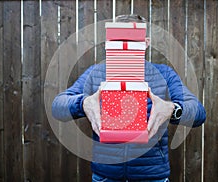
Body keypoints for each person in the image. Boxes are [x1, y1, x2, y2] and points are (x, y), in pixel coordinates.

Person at [52, 14, 206, 182]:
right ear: (109, 43)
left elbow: (198, 112)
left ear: (145, 43)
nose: (125, 48)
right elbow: (58, 106)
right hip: (106, 176)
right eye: (118, 42)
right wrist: (82, 103)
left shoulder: (164, 74)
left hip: (152, 177)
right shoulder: (96, 74)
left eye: (132, 42)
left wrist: (172, 109)